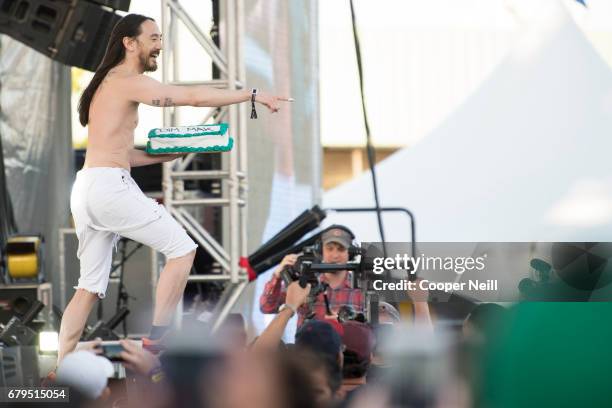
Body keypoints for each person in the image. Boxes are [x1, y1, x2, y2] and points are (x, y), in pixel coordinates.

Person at [58, 14, 289, 363]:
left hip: (89, 185)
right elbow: (192, 97)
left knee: (88, 287)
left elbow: (121, 154)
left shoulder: (105, 82)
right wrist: (251, 95)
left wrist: (166, 155)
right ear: (129, 42)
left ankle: (60, 368)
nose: (160, 45)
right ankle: (158, 337)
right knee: (182, 250)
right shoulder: (128, 79)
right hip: (108, 187)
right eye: (154, 37)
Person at [260, 225, 365, 327]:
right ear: (320, 251)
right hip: (306, 345)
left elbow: (375, 333)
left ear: (350, 253)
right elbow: (267, 307)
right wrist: (277, 276)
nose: (335, 255)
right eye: (330, 248)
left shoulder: (363, 289)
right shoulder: (303, 281)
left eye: (341, 249)